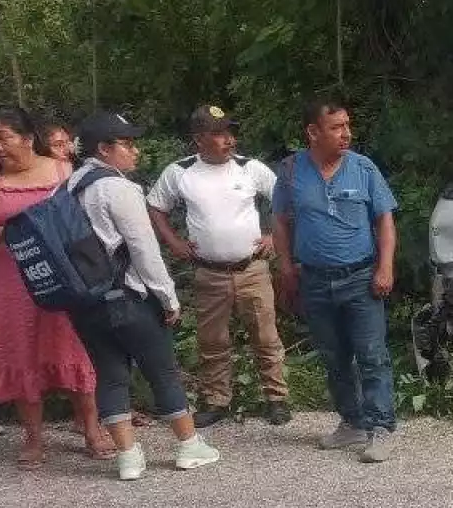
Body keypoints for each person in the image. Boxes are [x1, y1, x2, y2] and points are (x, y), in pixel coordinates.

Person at [67, 111, 220, 480]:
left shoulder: (68, 187)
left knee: (110, 375)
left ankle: (128, 457)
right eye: (127, 144)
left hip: (85, 302)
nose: (135, 150)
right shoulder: (118, 188)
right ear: (103, 149)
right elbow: (143, 249)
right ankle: (188, 446)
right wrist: (168, 298)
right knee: (162, 371)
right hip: (128, 297)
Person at [0, 105, 115, 468]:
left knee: (74, 346)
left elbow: (87, 217)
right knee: (20, 351)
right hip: (12, 282)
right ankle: (33, 438)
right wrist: (19, 231)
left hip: (66, 276)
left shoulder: (63, 171)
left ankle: (91, 428)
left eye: (4, 138)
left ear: (28, 139)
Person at [147, 105, 291, 427]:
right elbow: (155, 207)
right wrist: (174, 242)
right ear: (199, 139)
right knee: (212, 341)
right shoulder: (180, 172)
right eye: (219, 134)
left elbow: (285, 201)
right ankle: (215, 401)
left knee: (266, 337)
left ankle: (277, 398)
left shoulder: (249, 168)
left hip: (252, 269)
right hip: (209, 272)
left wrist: (273, 237)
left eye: (230, 132)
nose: (229, 140)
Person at [272, 97, 398, 463]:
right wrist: (285, 267)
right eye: (337, 127)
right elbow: (279, 220)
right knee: (334, 357)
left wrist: (385, 267)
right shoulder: (291, 171)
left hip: (360, 278)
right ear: (313, 132)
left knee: (372, 356)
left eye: (347, 125)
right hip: (314, 280)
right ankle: (352, 422)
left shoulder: (363, 168)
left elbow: (385, 221)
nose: (346, 133)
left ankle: (380, 427)